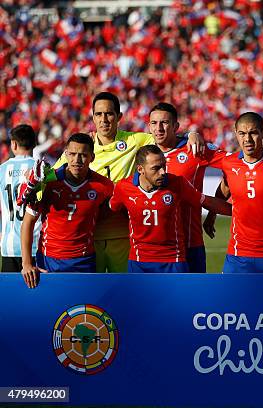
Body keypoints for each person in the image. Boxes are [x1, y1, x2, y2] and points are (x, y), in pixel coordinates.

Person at [33, 91, 205, 273]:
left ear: (119, 117)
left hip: (122, 238)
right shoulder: (81, 150)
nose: (104, 119)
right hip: (90, 241)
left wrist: (191, 134)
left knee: (124, 296)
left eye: (109, 113)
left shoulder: (135, 140)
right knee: (94, 299)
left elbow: (164, 135)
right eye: (99, 114)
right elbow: (49, 180)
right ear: (93, 117)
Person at [108, 145, 231, 273]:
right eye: (156, 168)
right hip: (139, 260)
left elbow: (206, 201)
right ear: (140, 169)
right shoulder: (124, 188)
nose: (162, 172)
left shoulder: (177, 184)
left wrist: (238, 211)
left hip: (173, 259)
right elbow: (114, 208)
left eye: (163, 166)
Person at [20, 133, 114, 288]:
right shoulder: (47, 183)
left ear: (92, 157)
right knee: (50, 310)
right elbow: (28, 223)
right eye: (72, 154)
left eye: (83, 155)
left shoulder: (104, 186)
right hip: (49, 259)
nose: (76, 160)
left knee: (83, 310)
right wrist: (26, 263)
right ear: (65, 154)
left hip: (84, 261)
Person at [149, 102, 226, 273]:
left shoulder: (194, 149)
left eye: (165, 123)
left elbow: (234, 165)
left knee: (192, 298)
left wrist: (213, 212)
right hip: (153, 247)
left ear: (175, 126)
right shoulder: (143, 151)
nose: (159, 128)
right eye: (154, 123)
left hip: (190, 243)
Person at [212, 112, 263, 273]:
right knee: (230, 298)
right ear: (235, 133)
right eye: (242, 133)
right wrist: (211, 216)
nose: (247, 139)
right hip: (238, 253)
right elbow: (224, 190)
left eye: (253, 133)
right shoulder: (229, 163)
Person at [0, 125, 40, 272]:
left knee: (10, 295)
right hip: (35, 245)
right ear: (35, 144)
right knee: (35, 294)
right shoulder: (40, 169)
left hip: (8, 246)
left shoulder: (2, 170)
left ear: (13, 144)